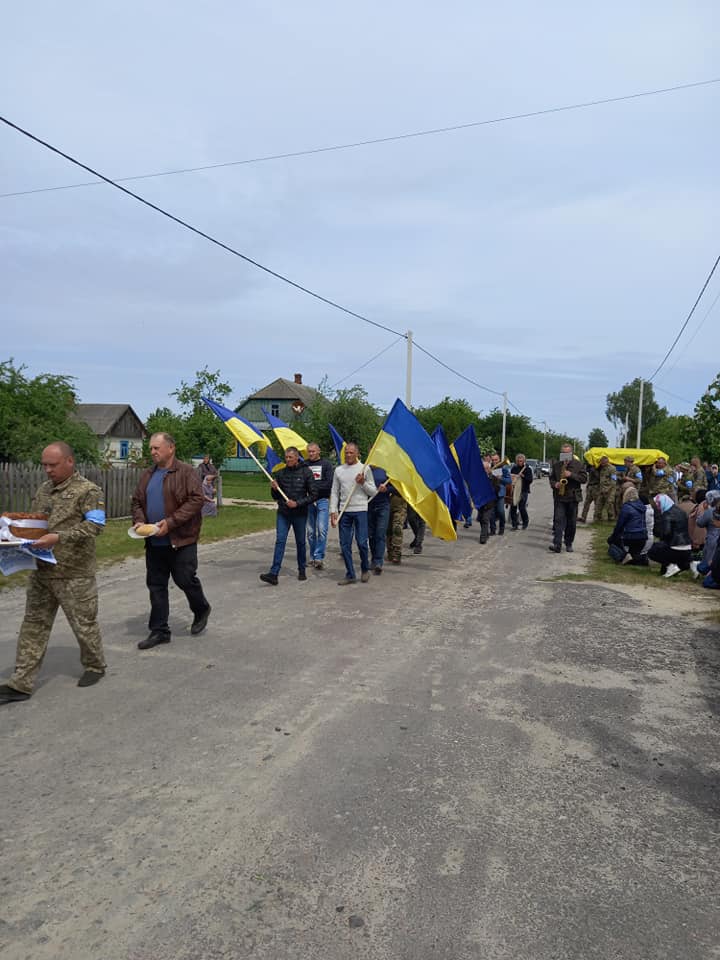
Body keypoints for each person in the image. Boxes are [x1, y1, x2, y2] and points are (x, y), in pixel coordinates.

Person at [0, 442, 107, 705]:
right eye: (44, 465)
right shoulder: (44, 490)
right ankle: (21, 683)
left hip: (74, 573)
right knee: (33, 625)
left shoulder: (89, 491)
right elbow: (37, 523)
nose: (47, 470)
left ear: (69, 462)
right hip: (41, 570)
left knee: (84, 625)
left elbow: (95, 526)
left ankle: (95, 666)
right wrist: (15, 535)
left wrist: (58, 537)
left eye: (53, 465)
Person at [131, 432, 210, 648]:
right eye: (151, 449)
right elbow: (137, 501)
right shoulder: (148, 474)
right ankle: (159, 631)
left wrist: (171, 522)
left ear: (171, 448)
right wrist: (139, 521)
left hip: (180, 538)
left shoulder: (186, 472)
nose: (153, 452)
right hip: (154, 540)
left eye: (156, 448)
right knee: (156, 585)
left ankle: (201, 608)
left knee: (184, 579)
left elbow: (196, 500)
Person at [259, 447, 317, 585]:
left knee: (300, 542)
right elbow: (275, 496)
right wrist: (273, 489)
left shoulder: (306, 472)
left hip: (299, 514)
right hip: (283, 513)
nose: (288, 460)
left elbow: (314, 495)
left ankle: (301, 569)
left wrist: (297, 503)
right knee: (280, 541)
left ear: (297, 457)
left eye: (290, 457)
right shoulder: (281, 473)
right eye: (286, 457)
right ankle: (274, 573)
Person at [330, 442, 377, 585]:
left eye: (351, 453)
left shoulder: (365, 469)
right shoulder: (338, 470)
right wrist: (333, 511)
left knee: (362, 542)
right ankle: (350, 574)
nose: (348, 455)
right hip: (344, 511)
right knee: (344, 545)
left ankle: (364, 569)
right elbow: (334, 492)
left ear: (357, 453)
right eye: (346, 453)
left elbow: (373, 491)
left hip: (361, 510)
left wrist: (363, 482)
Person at [548, 444, 587, 553]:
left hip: (572, 497)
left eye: (567, 453)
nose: (565, 455)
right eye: (563, 453)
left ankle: (569, 543)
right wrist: (554, 484)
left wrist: (571, 475)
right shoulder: (556, 465)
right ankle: (557, 544)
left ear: (571, 453)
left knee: (571, 522)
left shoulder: (578, 465)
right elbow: (551, 478)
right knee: (558, 521)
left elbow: (584, 479)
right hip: (560, 497)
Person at [647, 493, 692, 578]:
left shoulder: (667, 514)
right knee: (663, 570)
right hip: (687, 546)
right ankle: (691, 564)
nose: (657, 506)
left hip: (675, 547)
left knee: (652, 551)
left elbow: (666, 533)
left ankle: (670, 566)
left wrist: (658, 533)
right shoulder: (681, 511)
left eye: (658, 504)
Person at [305, 442, 333, 569]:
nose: (311, 453)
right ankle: (312, 556)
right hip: (308, 501)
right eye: (309, 451)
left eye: (313, 451)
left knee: (321, 529)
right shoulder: (304, 465)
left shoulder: (326, 465)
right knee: (310, 532)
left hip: (322, 500)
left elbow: (328, 483)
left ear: (319, 451)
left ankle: (319, 556)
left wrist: (313, 488)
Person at [607, 486, 649, 565]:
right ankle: (642, 559)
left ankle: (623, 556)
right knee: (634, 555)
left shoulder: (626, 507)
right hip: (642, 536)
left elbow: (620, 525)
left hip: (630, 536)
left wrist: (613, 536)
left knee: (611, 540)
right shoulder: (642, 506)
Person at [368, 465, 391, 574]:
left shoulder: (386, 470)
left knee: (380, 533)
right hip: (368, 506)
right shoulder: (364, 470)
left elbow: (397, 488)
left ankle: (378, 562)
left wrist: (387, 489)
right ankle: (373, 559)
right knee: (371, 534)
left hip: (383, 506)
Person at [509, 453, 533, 530]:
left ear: (524, 461)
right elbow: (510, 477)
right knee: (513, 508)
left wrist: (523, 476)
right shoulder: (514, 468)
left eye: (521, 461)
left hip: (523, 491)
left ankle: (525, 522)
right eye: (518, 461)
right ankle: (514, 525)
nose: (520, 462)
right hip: (514, 490)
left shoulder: (527, 469)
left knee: (522, 507)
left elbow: (530, 480)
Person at [489, 453, 510, 535]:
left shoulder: (504, 468)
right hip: (491, 493)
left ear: (499, 460)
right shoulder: (489, 467)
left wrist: (501, 478)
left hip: (500, 493)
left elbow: (509, 481)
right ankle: (492, 530)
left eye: (496, 460)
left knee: (501, 511)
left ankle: (502, 527)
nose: (494, 461)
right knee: (491, 513)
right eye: (493, 460)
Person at [387, 489, 407, 564]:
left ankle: (397, 553)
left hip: (400, 505)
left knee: (397, 529)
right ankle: (390, 551)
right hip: (386, 502)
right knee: (388, 530)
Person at [594, 456, 616, 522]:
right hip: (601, 489)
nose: (602, 464)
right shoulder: (601, 468)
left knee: (609, 503)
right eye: (601, 463)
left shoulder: (612, 468)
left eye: (603, 463)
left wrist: (608, 489)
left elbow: (614, 481)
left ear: (607, 462)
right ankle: (598, 518)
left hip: (610, 489)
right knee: (598, 503)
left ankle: (611, 518)